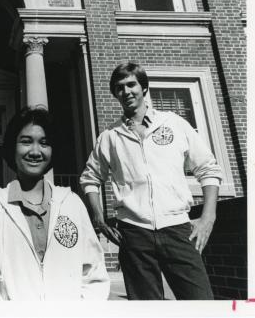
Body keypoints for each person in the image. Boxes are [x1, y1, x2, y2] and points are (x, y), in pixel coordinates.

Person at [80, 62, 223, 300]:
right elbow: (90, 178)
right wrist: (98, 217)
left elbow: (208, 169)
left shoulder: (174, 124)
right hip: (134, 234)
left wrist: (208, 216)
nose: (125, 92)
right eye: (119, 88)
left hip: (178, 229)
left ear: (144, 87)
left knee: (201, 302)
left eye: (131, 84)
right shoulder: (109, 137)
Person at [0, 107, 110, 300]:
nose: (35, 151)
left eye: (44, 143)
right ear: (12, 146)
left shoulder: (72, 204)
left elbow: (94, 274)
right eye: (26, 142)